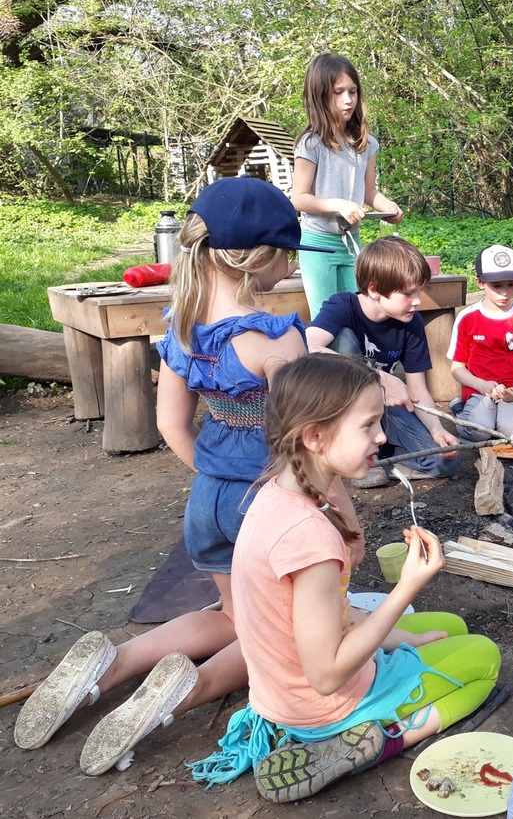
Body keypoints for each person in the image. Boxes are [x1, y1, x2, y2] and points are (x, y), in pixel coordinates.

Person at [14, 177, 318, 774]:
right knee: (280, 634)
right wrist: (322, 506)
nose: (290, 263)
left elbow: (172, 425)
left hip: (208, 499)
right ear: (260, 257)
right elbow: (304, 439)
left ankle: (113, 665)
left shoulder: (181, 328)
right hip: (265, 501)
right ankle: (180, 695)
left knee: (232, 616)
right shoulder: (273, 341)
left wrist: (215, 481)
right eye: (289, 251)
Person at [189, 353, 501, 803]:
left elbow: (330, 615)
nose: (381, 436)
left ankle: (354, 711)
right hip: (322, 705)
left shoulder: (273, 493)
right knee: (484, 656)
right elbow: (327, 675)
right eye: (369, 424)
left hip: (281, 692)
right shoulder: (310, 539)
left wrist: (403, 640)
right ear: (315, 436)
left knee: (448, 628)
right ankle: (373, 742)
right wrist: (406, 589)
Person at [306, 236, 460, 487]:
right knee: (343, 340)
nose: (418, 301)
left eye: (419, 291)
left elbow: (418, 388)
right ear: (374, 289)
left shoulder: (411, 323)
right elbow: (307, 346)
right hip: (341, 409)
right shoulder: (343, 306)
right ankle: (350, 455)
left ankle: (373, 461)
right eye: (408, 294)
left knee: (444, 462)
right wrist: (378, 377)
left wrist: (436, 429)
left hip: (382, 411)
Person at [291, 52, 404, 317]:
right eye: (338, 92)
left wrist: (388, 207)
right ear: (319, 96)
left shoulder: (367, 144)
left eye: (353, 91)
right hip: (317, 245)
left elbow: (368, 191)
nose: (348, 99)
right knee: (328, 321)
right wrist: (338, 205)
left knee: (359, 317)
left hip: (352, 244)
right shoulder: (311, 144)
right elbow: (299, 198)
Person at [446, 244, 513, 443]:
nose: (505, 292)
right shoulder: (467, 317)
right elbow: (457, 368)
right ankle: (460, 410)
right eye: (496, 286)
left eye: (511, 285)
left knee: (512, 435)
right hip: (479, 390)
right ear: (480, 282)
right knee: (480, 432)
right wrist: (480, 385)